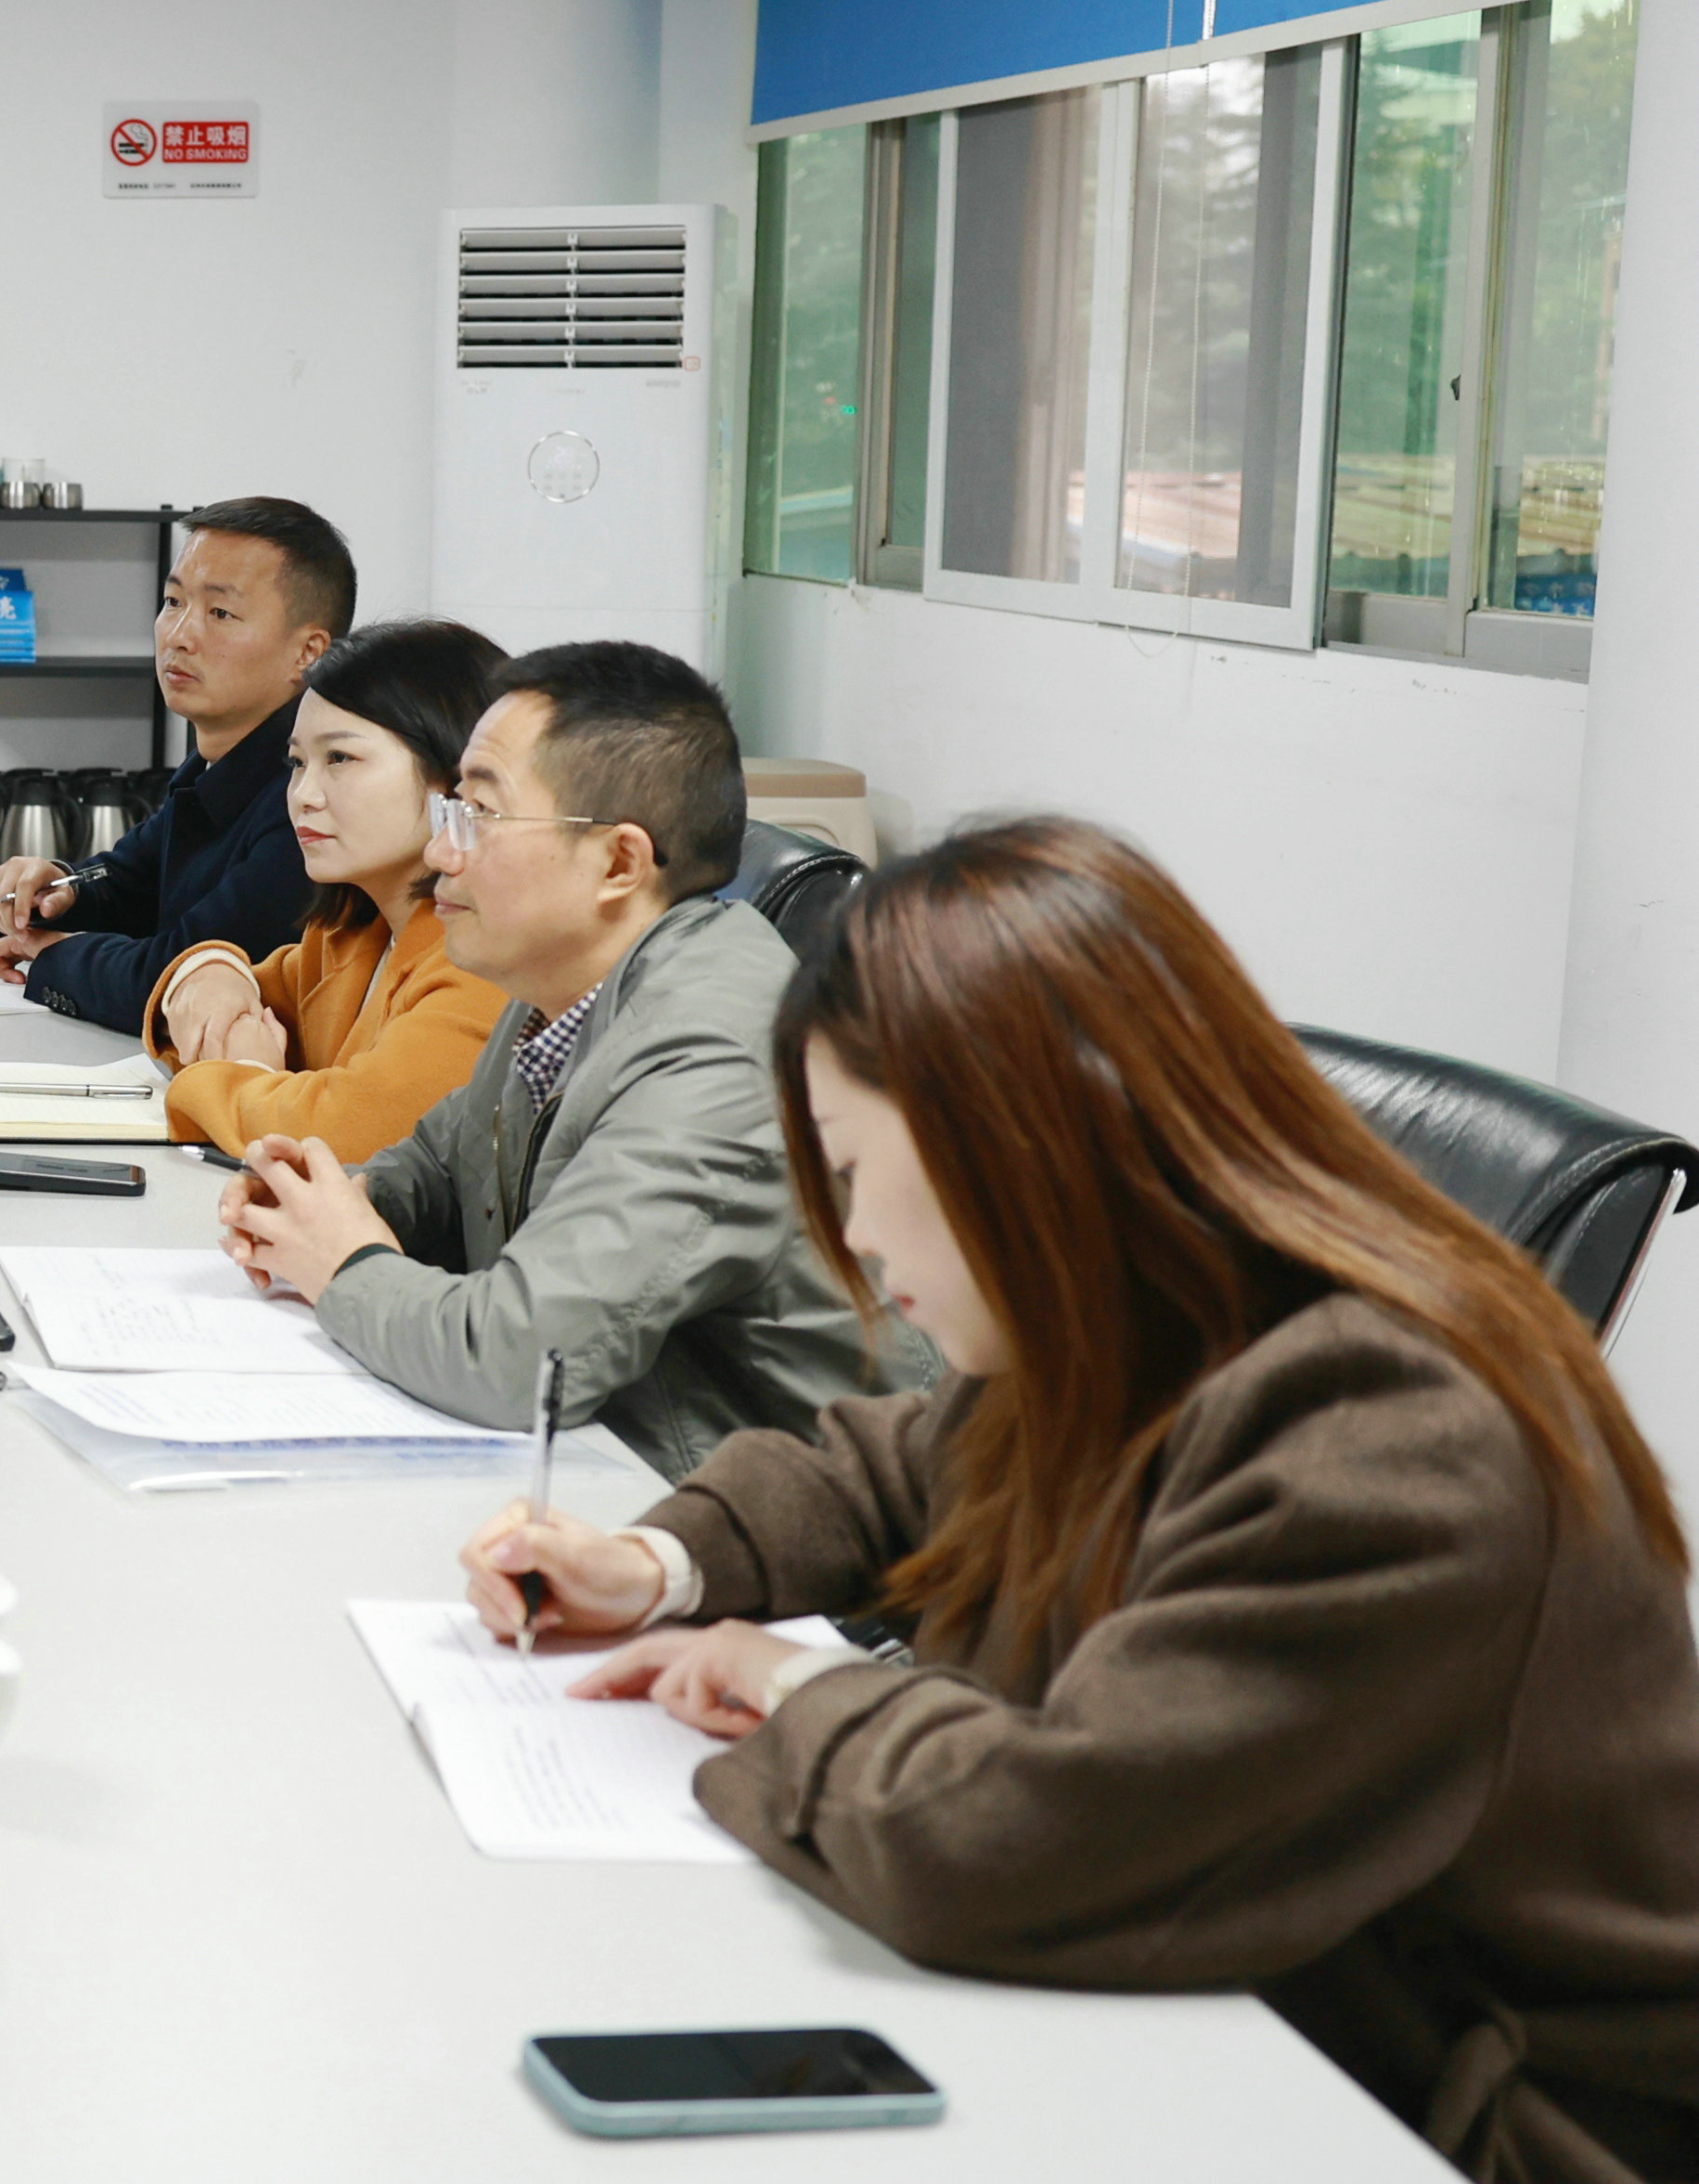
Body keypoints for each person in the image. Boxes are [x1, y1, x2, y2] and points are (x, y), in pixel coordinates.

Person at [460, 820, 1699, 2178]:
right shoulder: (1146, 1309)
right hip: (1240, 2022)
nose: (851, 1236)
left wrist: (789, 1684)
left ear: (1013, 1139)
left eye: (856, 1170)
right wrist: (658, 1567)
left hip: (1437, 2128)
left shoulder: (1390, 1433)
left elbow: (1007, 1846)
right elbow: (894, 1469)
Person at [225, 640, 913, 1474]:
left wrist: (344, 1265)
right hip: (610, 1474)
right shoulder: (559, 982)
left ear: (619, 862)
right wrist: (325, 1201)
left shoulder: (714, 1053)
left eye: (480, 814)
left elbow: (515, 1361)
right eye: (452, 810)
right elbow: (443, 1164)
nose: (441, 853)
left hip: (772, 1525)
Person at [136, 618, 508, 1170]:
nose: (303, 795)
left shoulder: (488, 961)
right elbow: (197, 1016)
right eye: (297, 763)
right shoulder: (352, 934)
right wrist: (212, 968)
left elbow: (340, 1131)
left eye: (339, 759)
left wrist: (240, 1074)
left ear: (456, 777)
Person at [0, 497, 348, 1029]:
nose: (179, 635)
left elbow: (180, 973)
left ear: (308, 652)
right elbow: (129, 882)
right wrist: (53, 888)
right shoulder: (215, 764)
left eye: (220, 613)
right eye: (173, 602)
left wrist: (52, 955)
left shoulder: (309, 799)